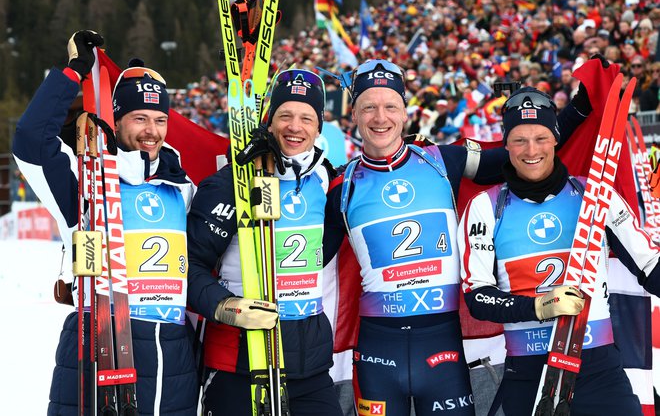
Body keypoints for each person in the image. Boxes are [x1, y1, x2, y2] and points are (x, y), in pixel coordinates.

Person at [322, 59, 595, 416]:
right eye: (368, 107)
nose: (380, 117)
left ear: (404, 112)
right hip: (377, 351)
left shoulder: (442, 160)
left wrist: (580, 109)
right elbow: (312, 260)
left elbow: (522, 152)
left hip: (443, 349)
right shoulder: (340, 185)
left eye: (390, 106)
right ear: (353, 115)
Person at [12, 30, 199, 415]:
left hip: (173, 353)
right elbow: (31, 142)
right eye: (140, 118)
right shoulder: (86, 179)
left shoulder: (184, 187)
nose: (152, 131)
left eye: (160, 119)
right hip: (99, 343)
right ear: (117, 119)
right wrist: (71, 73)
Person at [457, 86, 660, 415]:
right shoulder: (486, 206)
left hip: (598, 368)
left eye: (540, 137)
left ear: (555, 138)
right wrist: (540, 306)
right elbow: (477, 297)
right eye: (519, 139)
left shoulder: (593, 195)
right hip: (529, 373)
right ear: (506, 144)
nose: (530, 149)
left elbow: (649, 266)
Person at [186, 68, 343, 415]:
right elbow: (188, 267)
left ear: (319, 127)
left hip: (310, 368)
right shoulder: (230, 184)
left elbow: (321, 253)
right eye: (285, 115)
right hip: (238, 364)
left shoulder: (325, 181)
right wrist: (226, 306)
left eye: (306, 117)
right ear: (269, 122)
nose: (295, 126)